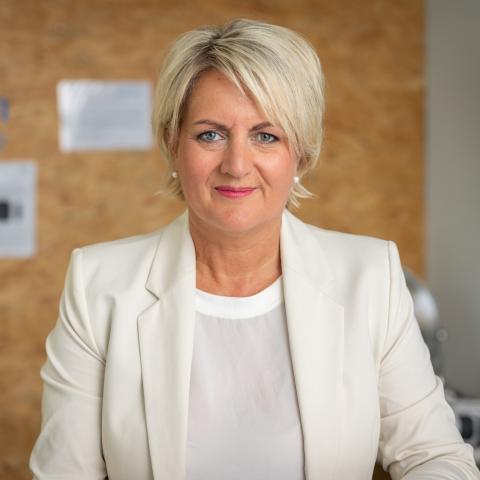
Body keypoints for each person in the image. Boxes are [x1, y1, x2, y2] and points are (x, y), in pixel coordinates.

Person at [30, 18, 479, 480]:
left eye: (266, 136)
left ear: (301, 153)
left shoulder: (370, 278)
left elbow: (438, 458)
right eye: (210, 134)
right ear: (173, 144)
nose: (237, 165)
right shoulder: (98, 285)